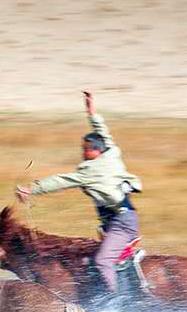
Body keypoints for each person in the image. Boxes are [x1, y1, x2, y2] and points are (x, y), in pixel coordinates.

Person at [15, 92, 143, 295]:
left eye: (86, 149)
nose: (83, 152)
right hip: (119, 220)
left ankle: (116, 301)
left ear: (96, 151)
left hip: (121, 223)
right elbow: (103, 132)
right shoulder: (112, 153)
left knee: (102, 261)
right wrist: (92, 113)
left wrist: (31, 189)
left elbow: (61, 181)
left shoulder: (90, 171)